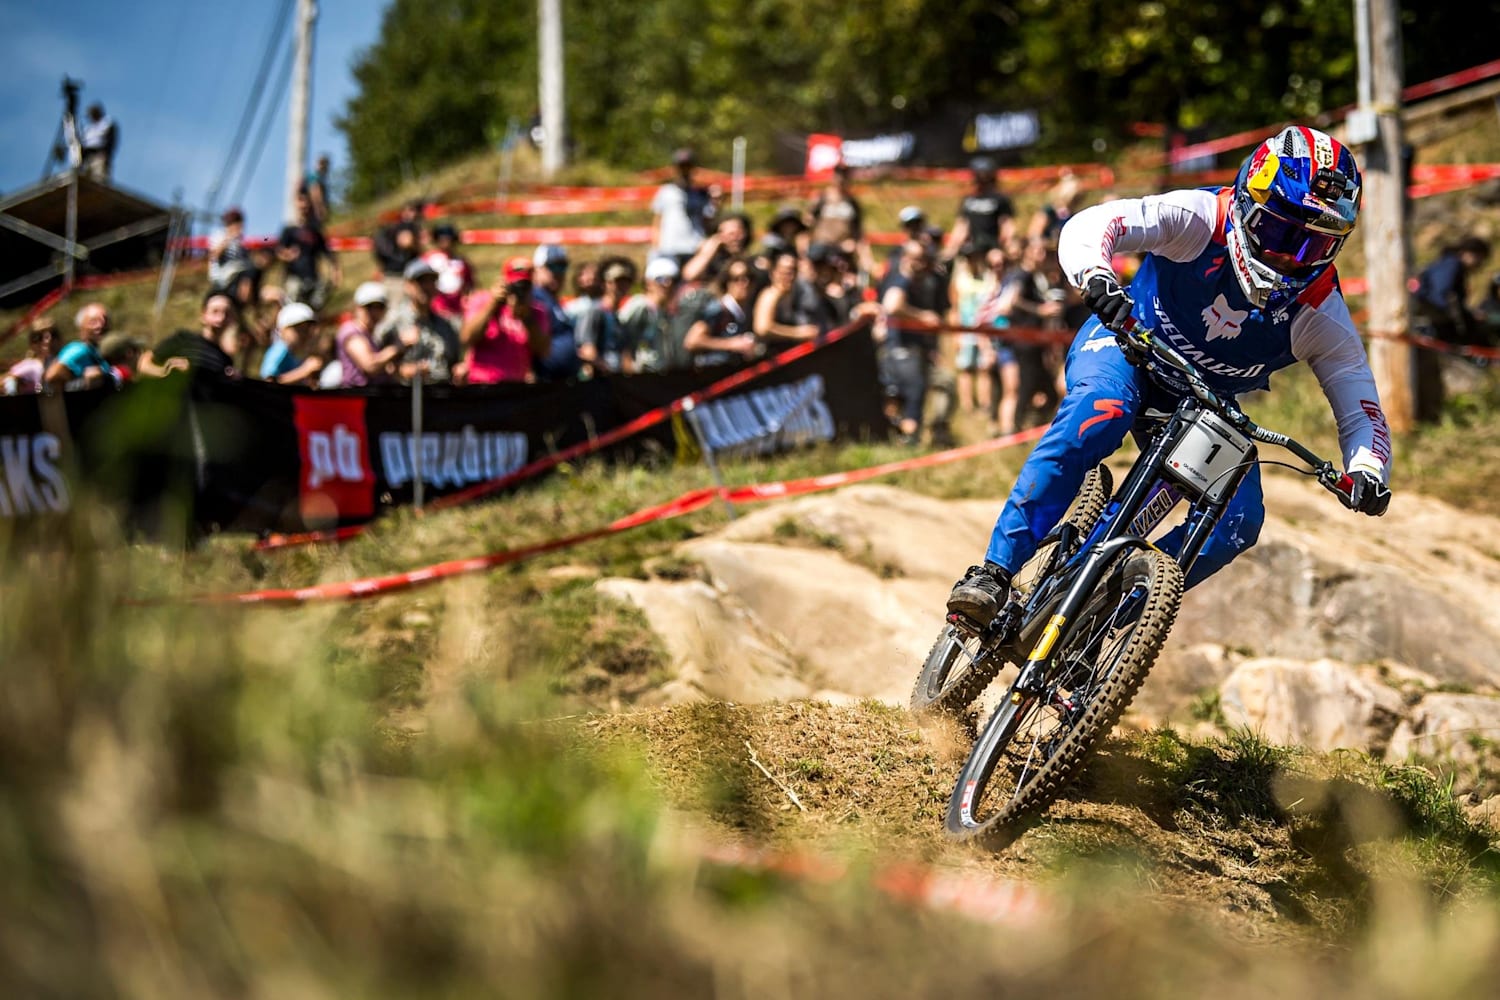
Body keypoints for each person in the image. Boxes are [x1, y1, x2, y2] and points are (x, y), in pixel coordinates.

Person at [947, 126, 1393, 626]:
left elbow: (1362, 408)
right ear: (1248, 205)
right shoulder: (1201, 219)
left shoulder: (1319, 310)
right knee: (1100, 414)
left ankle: (1099, 626)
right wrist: (1096, 277)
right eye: (1280, 233)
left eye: (1313, 245)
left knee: (1239, 523)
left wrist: (1368, 471)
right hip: (1127, 347)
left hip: (1204, 405)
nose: (1289, 257)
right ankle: (994, 573)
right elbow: (1092, 224)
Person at [461, 257, 551, 383]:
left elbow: (544, 351)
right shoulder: (481, 301)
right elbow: (467, 338)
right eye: (515, 285)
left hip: (515, 386)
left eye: (525, 286)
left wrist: (526, 317)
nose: (519, 291)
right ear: (504, 282)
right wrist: (493, 304)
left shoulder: (537, 311)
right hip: (482, 384)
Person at [376, 258, 463, 383]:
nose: (426, 287)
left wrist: (459, 370)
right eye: (421, 281)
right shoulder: (393, 321)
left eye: (431, 281)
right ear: (408, 286)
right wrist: (400, 370)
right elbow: (376, 360)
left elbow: (454, 362)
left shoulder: (446, 325)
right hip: (407, 392)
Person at [1413, 235, 1492, 348]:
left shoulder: (1449, 263)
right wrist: (1456, 316)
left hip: (1432, 312)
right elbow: (1441, 293)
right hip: (1431, 312)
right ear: (1469, 253)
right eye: (1480, 258)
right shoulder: (1452, 264)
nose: (1479, 263)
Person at [138, 291, 239, 379]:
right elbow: (143, 363)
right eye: (215, 311)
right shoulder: (183, 339)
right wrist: (164, 371)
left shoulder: (225, 359)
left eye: (227, 313)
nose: (221, 318)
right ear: (203, 315)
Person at [682, 262, 762, 369]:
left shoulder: (745, 311)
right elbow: (692, 341)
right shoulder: (717, 309)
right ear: (727, 282)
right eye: (736, 278)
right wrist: (731, 344)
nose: (744, 283)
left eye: (749, 278)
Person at [942, 156, 1016, 267]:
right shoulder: (968, 200)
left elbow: (1007, 225)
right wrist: (951, 249)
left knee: (997, 261)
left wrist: (1006, 247)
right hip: (972, 248)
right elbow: (961, 227)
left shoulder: (1000, 199)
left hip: (993, 247)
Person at [277, 192, 340, 309]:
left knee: (314, 310)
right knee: (293, 309)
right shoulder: (289, 230)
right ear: (295, 205)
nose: (303, 205)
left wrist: (335, 271)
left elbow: (327, 252)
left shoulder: (314, 229)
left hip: (313, 278)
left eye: (305, 202)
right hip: (294, 279)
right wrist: (288, 255)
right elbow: (279, 252)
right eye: (300, 201)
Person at [530, 244, 583, 382]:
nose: (558, 272)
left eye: (562, 266)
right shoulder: (534, 298)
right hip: (544, 380)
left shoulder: (552, 300)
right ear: (536, 269)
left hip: (564, 381)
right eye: (552, 266)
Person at [650, 148, 711, 267]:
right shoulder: (665, 191)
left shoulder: (702, 193)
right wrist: (656, 247)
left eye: (687, 166)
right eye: (681, 167)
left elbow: (707, 221)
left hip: (694, 248)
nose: (684, 170)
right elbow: (657, 222)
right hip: (669, 249)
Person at [622, 257, 683, 373]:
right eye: (661, 279)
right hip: (641, 374)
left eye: (673, 280)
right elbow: (622, 340)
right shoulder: (639, 305)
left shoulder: (664, 312)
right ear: (648, 282)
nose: (668, 284)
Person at [575, 259, 636, 376]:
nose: (622, 286)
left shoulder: (619, 319)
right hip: (598, 379)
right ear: (605, 284)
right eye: (617, 282)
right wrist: (606, 369)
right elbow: (586, 351)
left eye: (626, 282)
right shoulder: (594, 312)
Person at [338, 282, 405, 387]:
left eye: (379, 307)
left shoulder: (372, 334)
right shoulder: (351, 332)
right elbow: (370, 365)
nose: (374, 312)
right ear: (357, 308)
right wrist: (397, 348)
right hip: (358, 394)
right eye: (369, 307)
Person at [45, 303, 116, 391]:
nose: (100, 326)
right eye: (93, 322)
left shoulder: (103, 351)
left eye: (104, 320)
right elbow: (52, 378)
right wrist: (84, 383)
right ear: (82, 329)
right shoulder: (79, 350)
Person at [375, 200, 426, 305]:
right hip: (397, 278)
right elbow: (406, 242)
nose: (414, 213)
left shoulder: (409, 226)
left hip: (404, 276)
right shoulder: (404, 227)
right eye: (411, 210)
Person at [259, 303, 325, 385]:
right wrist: (304, 371)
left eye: (306, 330)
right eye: (298, 330)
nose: (304, 334)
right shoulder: (280, 349)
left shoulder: (298, 354)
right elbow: (268, 380)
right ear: (283, 330)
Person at [423, 223, 474, 320]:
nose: (446, 242)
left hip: (456, 309)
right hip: (435, 308)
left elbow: (469, 286)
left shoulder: (462, 263)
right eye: (442, 239)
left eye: (449, 239)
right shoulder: (428, 259)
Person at [4, 318, 59, 395]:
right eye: (39, 337)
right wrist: (12, 391)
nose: (47, 341)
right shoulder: (32, 366)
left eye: (53, 335)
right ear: (32, 344)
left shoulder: (64, 358)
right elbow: (9, 379)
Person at [209, 207, 253, 291]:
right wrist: (229, 238)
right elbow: (214, 255)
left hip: (236, 273)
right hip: (222, 276)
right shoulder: (219, 235)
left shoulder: (239, 240)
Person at [79, 103, 117, 181]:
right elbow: (83, 144)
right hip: (87, 159)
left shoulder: (106, 123)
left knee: (99, 180)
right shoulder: (88, 129)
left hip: (99, 156)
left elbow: (111, 141)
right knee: (85, 182)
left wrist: (106, 154)